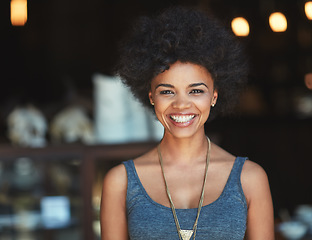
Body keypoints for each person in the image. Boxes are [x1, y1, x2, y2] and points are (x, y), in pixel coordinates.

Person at [100, 6, 274, 240]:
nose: (182, 105)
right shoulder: (120, 182)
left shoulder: (250, 179)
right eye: (167, 92)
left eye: (195, 91)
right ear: (151, 96)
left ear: (214, 95)